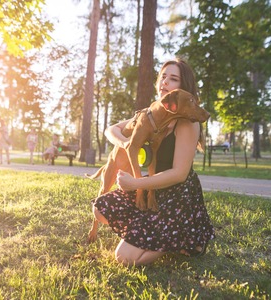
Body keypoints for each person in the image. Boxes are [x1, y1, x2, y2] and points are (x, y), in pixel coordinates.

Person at [91, 58, 215, 266]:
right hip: (152, 189)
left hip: (178, 196)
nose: (164, 82)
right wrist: (124, 143)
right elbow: (111, 130)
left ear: (183, 88)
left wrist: (136, 184)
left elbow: (179, 174)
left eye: (173, 79)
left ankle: (183, 238)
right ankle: (148, 231)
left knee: (125, 258)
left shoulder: (187, 123)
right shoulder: (150, 114)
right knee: (99, 208)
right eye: (163, 77)